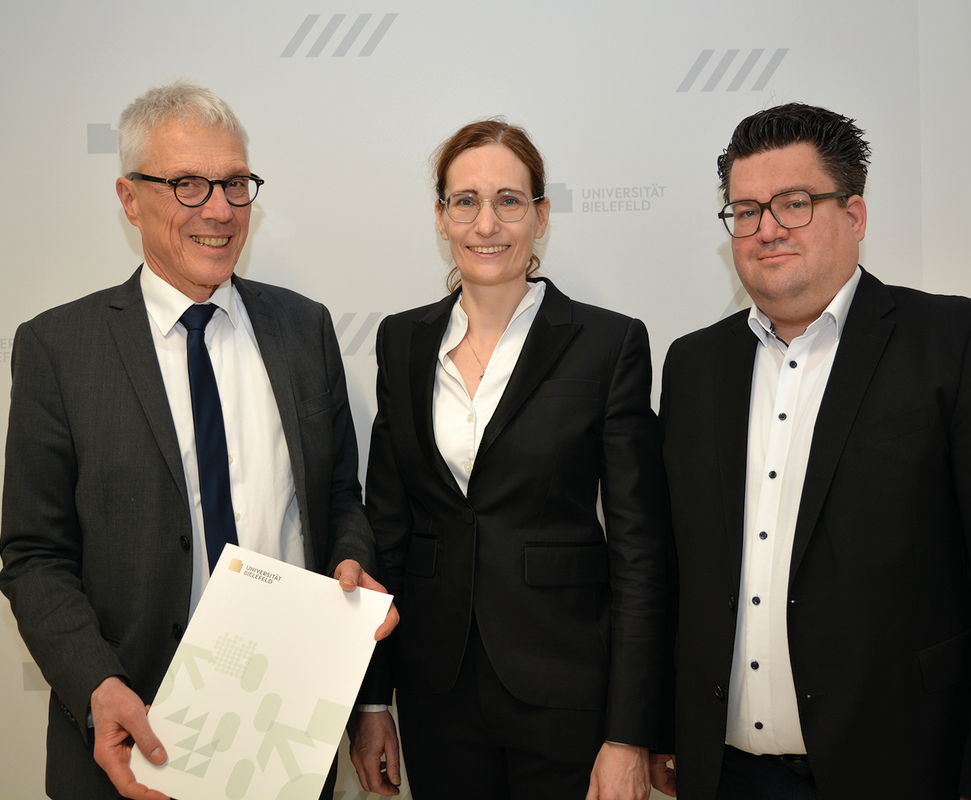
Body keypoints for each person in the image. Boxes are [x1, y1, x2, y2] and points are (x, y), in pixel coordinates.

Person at [0, 81, 397, 800]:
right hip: (132, 736)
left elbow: (341, 498)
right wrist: (97, 682)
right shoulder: (60, 347)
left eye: (236, 183)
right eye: (188, 185)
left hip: (286, 739)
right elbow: (33, 554)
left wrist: (350, 563)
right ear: (129, 198)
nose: (219, 208)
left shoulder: (305, 330)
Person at [654, 102, 971, 799]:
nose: (766, 230)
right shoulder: (693, 366)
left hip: (906, 770)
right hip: (724, 775)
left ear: (854, 216)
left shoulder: (959, 344)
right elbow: (675, 572)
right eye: (745, 210)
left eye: (794, 204)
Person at [348, 119, 669, 800]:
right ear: (440, 217)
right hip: (437, 691)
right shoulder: (401, 341)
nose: (486, 223)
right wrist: (374, 704)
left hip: (567, 692)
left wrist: (629, 732)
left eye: (509, 200)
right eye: (465, 201)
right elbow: (388, 529)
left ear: (540, 215)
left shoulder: (608, 345)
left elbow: (641, 551)